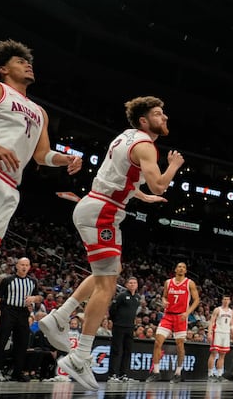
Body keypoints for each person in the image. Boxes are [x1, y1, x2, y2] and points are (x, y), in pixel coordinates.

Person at [39, 96, 185, 391]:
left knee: (105, 273)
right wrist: (173, 166)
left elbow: (123, 176)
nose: (165, 117)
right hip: (103, 213)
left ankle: (60, 316)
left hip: (97, 206)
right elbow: (158, 182)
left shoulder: (125, 138)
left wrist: (143, 197)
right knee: (108, 284)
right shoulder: (146, 145)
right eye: (159, 114)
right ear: (144, 120)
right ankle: (79, 356)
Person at [0, 39, 82, 256]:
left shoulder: (40, 111)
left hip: (10, 185)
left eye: (29, 62)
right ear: (3, 69)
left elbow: (41, 155)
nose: (28, 65)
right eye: (20, 61)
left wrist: (65, 159)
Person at [146, 262, 200, 383]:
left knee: (180, 346)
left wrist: (187, 313)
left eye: (184, 267)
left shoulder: (189, 283)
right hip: (168, 316)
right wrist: (164, 301)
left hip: (181, 317)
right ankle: (156, 372)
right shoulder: (168, 282)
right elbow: (164, 296)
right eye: (179, 267)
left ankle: (178, 373)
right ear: (175, 269)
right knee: (157, 342)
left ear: (185, 271)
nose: (181, 268)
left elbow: (197, 300)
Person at [0, 257, 42, 382]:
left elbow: (38, 297)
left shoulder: (33, 281)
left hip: (23, 314)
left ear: (30, 267)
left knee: (22, 343)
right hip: (8, 312)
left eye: (26, 264)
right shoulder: (7, 280)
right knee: (1, 341)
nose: (24, 267)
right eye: (22, 264)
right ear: (17, 266)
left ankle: (17, 372)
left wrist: (34, 299)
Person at [107, 277, 141, 383]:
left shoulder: (137, 298)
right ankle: (112, 375)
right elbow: (112, 309)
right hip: (119, 326)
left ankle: (123, 374)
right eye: (130, 283)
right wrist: (114, 320)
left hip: (130, 327)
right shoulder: (121, 295)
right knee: (116, 350)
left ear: (137, 285)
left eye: (134, 283)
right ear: (126, 285)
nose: (132, 284)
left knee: (127, 351)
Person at [207, 295, 233, 382]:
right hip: (217, 332)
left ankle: (219, 375)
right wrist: (209, 333)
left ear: (230, 301)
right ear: (222, 300)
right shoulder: (217, 310)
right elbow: (212, 322)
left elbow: (231, 325)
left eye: (228, 299)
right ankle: (210, 374)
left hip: (226, 334)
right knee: (214, 353)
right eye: (224, 299)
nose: (226, 300)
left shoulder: (231, 312)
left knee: (222, 355)